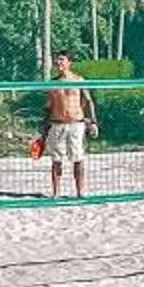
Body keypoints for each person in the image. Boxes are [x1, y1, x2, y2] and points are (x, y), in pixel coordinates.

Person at [44, 55, 97, 198]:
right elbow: (48, 107)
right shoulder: (52, 83)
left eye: (61, 59)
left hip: (76, 124)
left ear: (69, 62)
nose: (58, 62)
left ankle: (80, 192)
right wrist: (43, 130)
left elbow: (88, 101)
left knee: (78, 158)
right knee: (56, 160)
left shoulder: (78, 80)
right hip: (57, 124)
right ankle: (56, 193)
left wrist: (93, 122)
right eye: (57, 60)